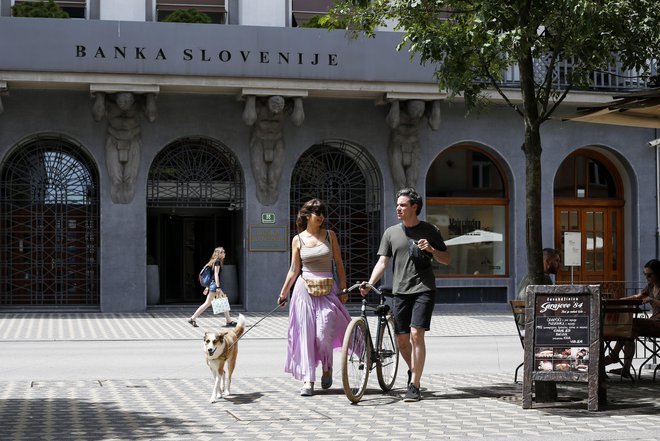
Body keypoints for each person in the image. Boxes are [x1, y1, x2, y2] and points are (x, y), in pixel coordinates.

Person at [360, 188, 450, 402]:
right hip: (400, 291)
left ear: (414, 207)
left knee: (416, 334)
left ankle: (414, 385)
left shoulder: (430, 230)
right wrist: (370, 283)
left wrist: (432, 250)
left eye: (402, 205)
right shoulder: (391, 233)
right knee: (402, 341)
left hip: (424, 289)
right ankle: (413, 371)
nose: (398, 208)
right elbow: (382, 262)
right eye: (397, 205)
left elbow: (446, 259)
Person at [277, 199, 350, 396]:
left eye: (323, 213)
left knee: (323, 333)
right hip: (303, 291)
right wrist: (284, 293)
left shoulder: (330, 235)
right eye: (318, 213)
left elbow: (339, 262)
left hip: (327, 289)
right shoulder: (297, 239)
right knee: (306, 336)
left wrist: (343, 288)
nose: (322, 217)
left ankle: (327, 366)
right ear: (307, 215)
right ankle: (308, 380)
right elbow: (294, 269)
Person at [92, 91, 157, 204]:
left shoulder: (138, 104)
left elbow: (151, 117)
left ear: (133, 100)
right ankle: (117, 197)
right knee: (115, 180)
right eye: (121, 101)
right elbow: (97, 116)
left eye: (127, 101)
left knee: (130, 180)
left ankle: (127, 197)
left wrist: (150, 97)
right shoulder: (110, 104)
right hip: (113, 139)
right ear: (116, 98)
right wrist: (100, 97)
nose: (124, 103)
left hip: (133, 140)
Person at [242, 95, 304, 205]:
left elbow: (298, 121)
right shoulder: (259, 108)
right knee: (261, 180)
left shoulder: (284, 110)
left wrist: (298, 100)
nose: (276, 110)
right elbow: (249, 120)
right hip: (259, 141)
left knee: (273, 181)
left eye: (279, 106)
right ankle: (262, 200)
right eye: (274, 106)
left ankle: (271, 201)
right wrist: (250, 97)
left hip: (277, 142)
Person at [604, 259, 660, 378]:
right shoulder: (650, 286)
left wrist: (652, 300)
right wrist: (619, 301)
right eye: (645, 275)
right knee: (629, 329)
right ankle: (625, 367)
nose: (647, 278)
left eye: (650, 275)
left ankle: (614, 357)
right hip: (653, 322)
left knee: (632, 324)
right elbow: (638, 296)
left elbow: (650, 300)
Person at [386, 99, 441, 190]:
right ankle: (401, 201)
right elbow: (393, 123)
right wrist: (395, 103)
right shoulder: (398, 112)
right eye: (415, 109)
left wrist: (436, 104)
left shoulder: (421, 114)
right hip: (397, 145)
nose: (418, 114)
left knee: (412, 182)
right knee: (399, 183)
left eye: (420, 111)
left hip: (414, 145)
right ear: (407, 106)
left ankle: (411, 201)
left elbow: (435, 125)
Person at [188, 247, 237, 328]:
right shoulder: (217, 262)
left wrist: (207, 287)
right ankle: (192, 318)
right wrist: (218, 287)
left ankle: (229, 321)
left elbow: (211, 277)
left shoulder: (214, 261)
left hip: (213, 285)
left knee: (220, 301)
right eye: (223, 252)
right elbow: (215, 275)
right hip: (215, 286)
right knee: (211, 303)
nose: (224, 254)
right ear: (219, 254)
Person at [515, 248, 561, 325]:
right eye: (556, 261)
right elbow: (551, 304)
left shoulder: (528, 276)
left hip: (522, 323)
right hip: (534, 324)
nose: (559, 264)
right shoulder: (543, 279)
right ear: (547, 262)